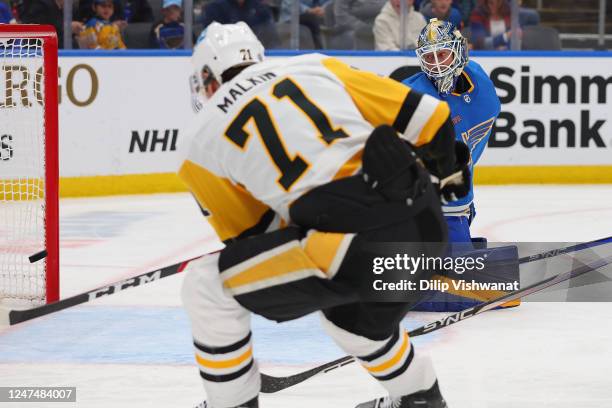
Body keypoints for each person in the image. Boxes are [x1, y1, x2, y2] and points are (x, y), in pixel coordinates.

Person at [180, 21, 470, 408]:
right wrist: (446, 171)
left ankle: (230, 403)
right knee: (348, 319)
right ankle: (419, 397)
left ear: (206, 78)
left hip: (352, 250)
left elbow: (255, 237)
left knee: (206, 284)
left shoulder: (198, 140)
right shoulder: (313, 66)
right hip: (427, 225)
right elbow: (430, 117)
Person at [201, 0, 279, 48]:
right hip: (226, 56)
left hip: (256, 54)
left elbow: (270, 40)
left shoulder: (261, 9)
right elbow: (209, 38)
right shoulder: (214, 8)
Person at [19, 0, 84, 48]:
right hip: (40, 55)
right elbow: (40, 31)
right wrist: (66, 27)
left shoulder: (66, 10)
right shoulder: (41, 6)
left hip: (63, 55)